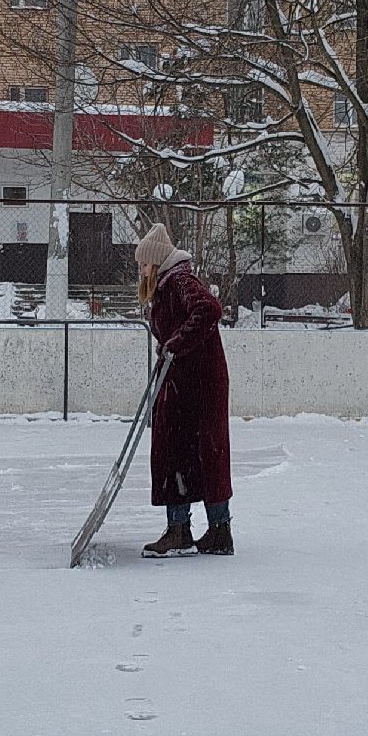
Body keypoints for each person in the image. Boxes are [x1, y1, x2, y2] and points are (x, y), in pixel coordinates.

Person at [133, 223, 233, 557]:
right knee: (179, 452)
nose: (141, 269)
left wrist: (175, 344)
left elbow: (210, 310)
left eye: (144, 263)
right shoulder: (167, 285)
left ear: (157, 261)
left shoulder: (180, 281)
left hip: (199, 383)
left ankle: (207, 530)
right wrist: (170, 347)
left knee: (202, 452)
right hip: (184, 381)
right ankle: (196, 529)